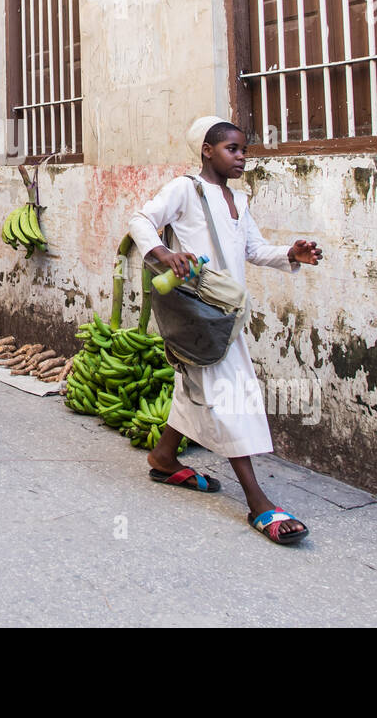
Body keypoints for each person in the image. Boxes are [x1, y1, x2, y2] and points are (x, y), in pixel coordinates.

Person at [128, 115, 324, 545]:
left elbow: (252, 249)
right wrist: (162, 251)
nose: (240, 158)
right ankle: (258, 502)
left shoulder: (238, 200)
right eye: (232, 149)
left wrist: (290, 253)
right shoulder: (184, 189)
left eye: (244, 151)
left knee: (196, 389)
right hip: (198, 310)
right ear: (207, 150)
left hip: (225, 313)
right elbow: (141, 220)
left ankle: (163, 457)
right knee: (230, 395)